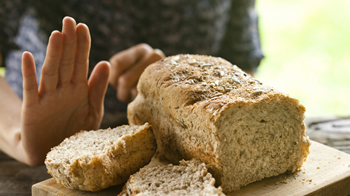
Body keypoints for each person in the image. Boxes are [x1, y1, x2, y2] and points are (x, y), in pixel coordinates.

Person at [0, 0, 264, 166]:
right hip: (20, 165)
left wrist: (170, 80)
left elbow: (241, 65)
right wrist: (19, 136)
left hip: (182, 160)